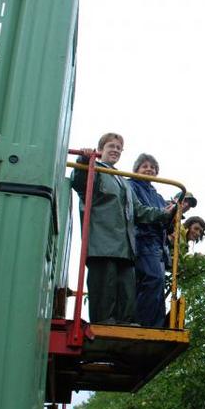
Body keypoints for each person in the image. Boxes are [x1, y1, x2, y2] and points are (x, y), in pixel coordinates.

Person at [71, 133, 173, 325]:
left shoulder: (123, 181)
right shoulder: (95, 168)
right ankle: (103, 322)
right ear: (101, 150)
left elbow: (140, 211)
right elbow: (79, 181)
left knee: (126, 291)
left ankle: (126, 322)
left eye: (119, 148)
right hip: (102, 242)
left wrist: (164, 213)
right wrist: (84, 159)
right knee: (105, 288)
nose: (115, 150)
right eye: (112, 146)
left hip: (125, 246)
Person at [128, 153, 167, 328]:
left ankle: (156, 325)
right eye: (145, 166)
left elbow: (165, 222)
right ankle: (143, 324)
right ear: (136, 170)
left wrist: (172, 214)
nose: (149, 169)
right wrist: (163, 214)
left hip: (158, 244)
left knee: (158, 284)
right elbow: (138, 212)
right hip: (142, 239)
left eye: (152, 167)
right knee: (153, 279)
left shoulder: (158, 197)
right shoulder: (131, 186)